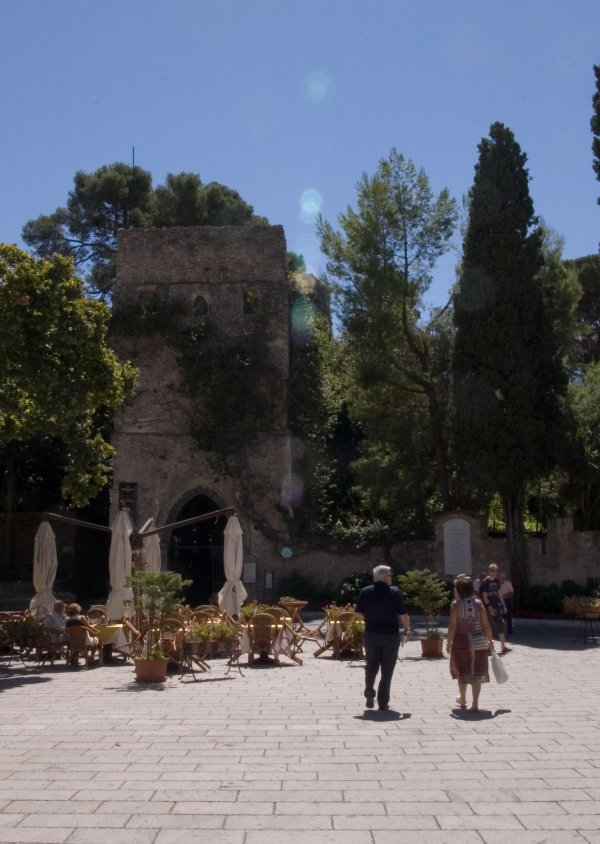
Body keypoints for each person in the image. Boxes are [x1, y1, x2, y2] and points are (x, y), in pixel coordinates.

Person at [355, 564, 411, 711]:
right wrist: (407, 629)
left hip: (371, 634)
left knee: (371, 664)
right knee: (387, 669)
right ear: (385, 577)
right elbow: (404, 615)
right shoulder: (394, 592)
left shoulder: (365, 592)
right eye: (390, 575)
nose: (391, 577)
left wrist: (367, 621)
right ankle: (383, 702)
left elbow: (358, 614)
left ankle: (369, 690)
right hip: (390, 635)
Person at [446, 576, 493, 712]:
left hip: (461, 642)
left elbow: (452, 626)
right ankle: (475, 704)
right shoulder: (479, 604)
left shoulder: (455, 605)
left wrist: (449, 642)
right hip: (479, 641)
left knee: (462, 672)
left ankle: (463, 699)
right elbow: (486, 624)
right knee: (477, 673)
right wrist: (490, 640)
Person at [479, 564, 511, 654]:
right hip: (488, 607)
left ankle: (503, 647)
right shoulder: (485, 582)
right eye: (492, 570)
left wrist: (503, 605)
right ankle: (489, 647)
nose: (494, 572)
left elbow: (499, 594)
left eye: (495, 571)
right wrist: (489, 607)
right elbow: (485, 596)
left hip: (496, 606)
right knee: (489, 627)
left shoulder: (496, 581)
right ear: (489, 571)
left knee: (501, 626)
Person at [498, 571, 514, 636]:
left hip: (507, 600)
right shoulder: (497, 584)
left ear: (504, 578)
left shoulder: (508, 583)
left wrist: (504, 595)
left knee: (508, 616)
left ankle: (509, 630)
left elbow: (511, 593)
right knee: (500, 617)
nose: (500, 579)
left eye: (501, 578)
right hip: (498, 601)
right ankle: (502, 631)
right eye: (499, 577)